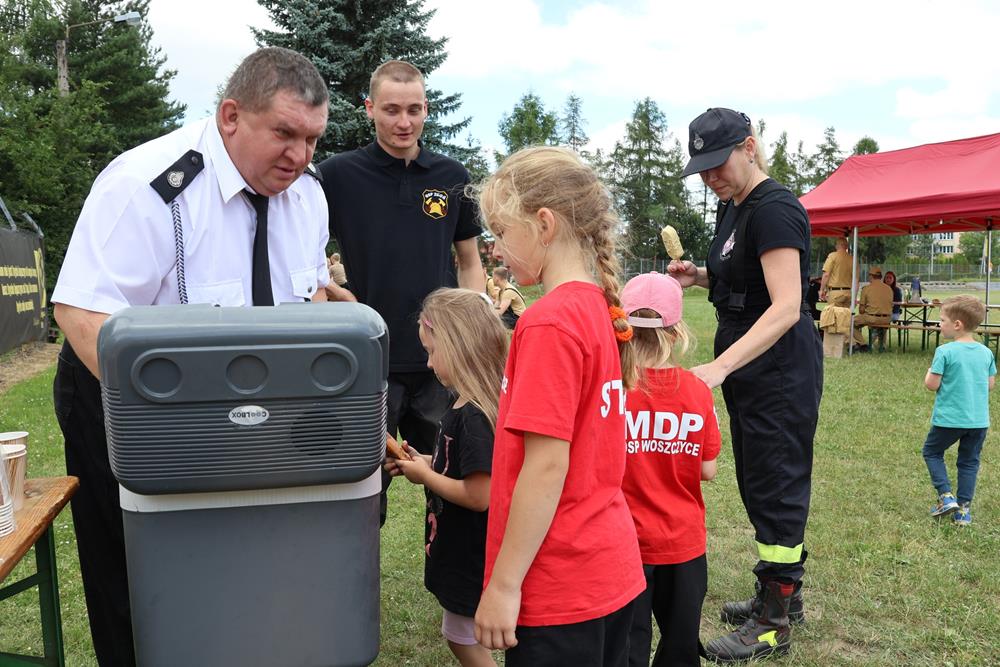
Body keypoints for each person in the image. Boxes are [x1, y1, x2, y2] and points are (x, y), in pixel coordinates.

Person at [50, 47, 331, 666]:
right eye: (284, 133)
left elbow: (306, 299)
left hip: (246, 404)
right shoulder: (147, 185)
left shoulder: (309, 194)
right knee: (137, 572)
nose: (301, 156)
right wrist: (183, 428)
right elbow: (81, 315)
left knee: (244, 557)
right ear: (231, 115)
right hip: (126, 399)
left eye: (313, 138)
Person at [473, 146, 645, 666]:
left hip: (559, 586)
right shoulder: (596, 306)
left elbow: (546, 465)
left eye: (502, 232)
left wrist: (503, 586)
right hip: (611, 572)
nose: (496, 248)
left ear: (544, 224)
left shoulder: (548, 322)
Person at [668, 107, 822, 662]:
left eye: (719, 163)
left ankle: (774, 623)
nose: (711, 177)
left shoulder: (776, 210)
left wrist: (720, 367)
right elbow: (748, 277)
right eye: (702, 168)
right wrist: (700, 275)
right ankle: (780, 593)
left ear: (750, 147)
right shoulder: (734, 207)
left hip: (776, 364)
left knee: (775, 480)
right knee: (760, 476)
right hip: (751, 357)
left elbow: (785, 306)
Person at [319, 59, 485, 526]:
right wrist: (332, 294)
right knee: (360, 488)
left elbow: (470, 262)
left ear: (426, 109)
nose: (403, 121)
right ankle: (349, 592)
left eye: (414, 109)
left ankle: (461, 591)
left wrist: (474, 328)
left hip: (443, 365)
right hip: (368, 364)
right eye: (391, 109)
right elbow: (306, 257)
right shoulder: (337, 176)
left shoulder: (452, 175)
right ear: (369, 109)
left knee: (456, 486)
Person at [386, 288, 507, 667]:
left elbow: (478, 494)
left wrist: (426, 476)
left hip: (471, 554)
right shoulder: (463, 406)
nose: (427, 363)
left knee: (461, 638)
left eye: (432, 351)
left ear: (459, 348)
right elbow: (457, 464)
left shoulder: (474, 418)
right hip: (461, 548)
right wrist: (424, 460)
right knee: (461, 634)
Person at [618, 272, 721, 667]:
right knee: (680, 643)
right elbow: (707, 469)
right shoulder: (696, 391)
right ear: (676, 333)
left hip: (626, 543)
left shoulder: (613, 389)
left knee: (629, 641)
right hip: (684, 543)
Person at [921, 295, 996, 527]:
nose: (938, 324)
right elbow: (990, 384)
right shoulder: (986, 352)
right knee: (969, 461)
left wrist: (929, 371)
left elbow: (932, 384)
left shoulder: (945, 352)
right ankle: (963, 511)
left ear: (957, 325)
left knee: (931, 452)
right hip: (978, 420)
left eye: (942, 320)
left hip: (949, 419)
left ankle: (945, 496)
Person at [852, 266, 893, 352]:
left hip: (872, 318)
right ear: (881, 276)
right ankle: (880, 345)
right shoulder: (889, 289)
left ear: (871, 276)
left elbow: (861, 310)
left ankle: (862, 344)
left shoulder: (866, 289)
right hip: (887, 319)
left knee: (849, 321)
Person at [818, 237, 855, 303]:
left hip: (835, 293)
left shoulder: (832, 256)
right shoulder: (853, 259)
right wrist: (854, 297)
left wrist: (821, 290)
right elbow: (856, 280)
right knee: (845, 313)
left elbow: (826, 274)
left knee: (833, 312)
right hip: (848, 293)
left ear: (837, 245)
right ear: (846, 246)